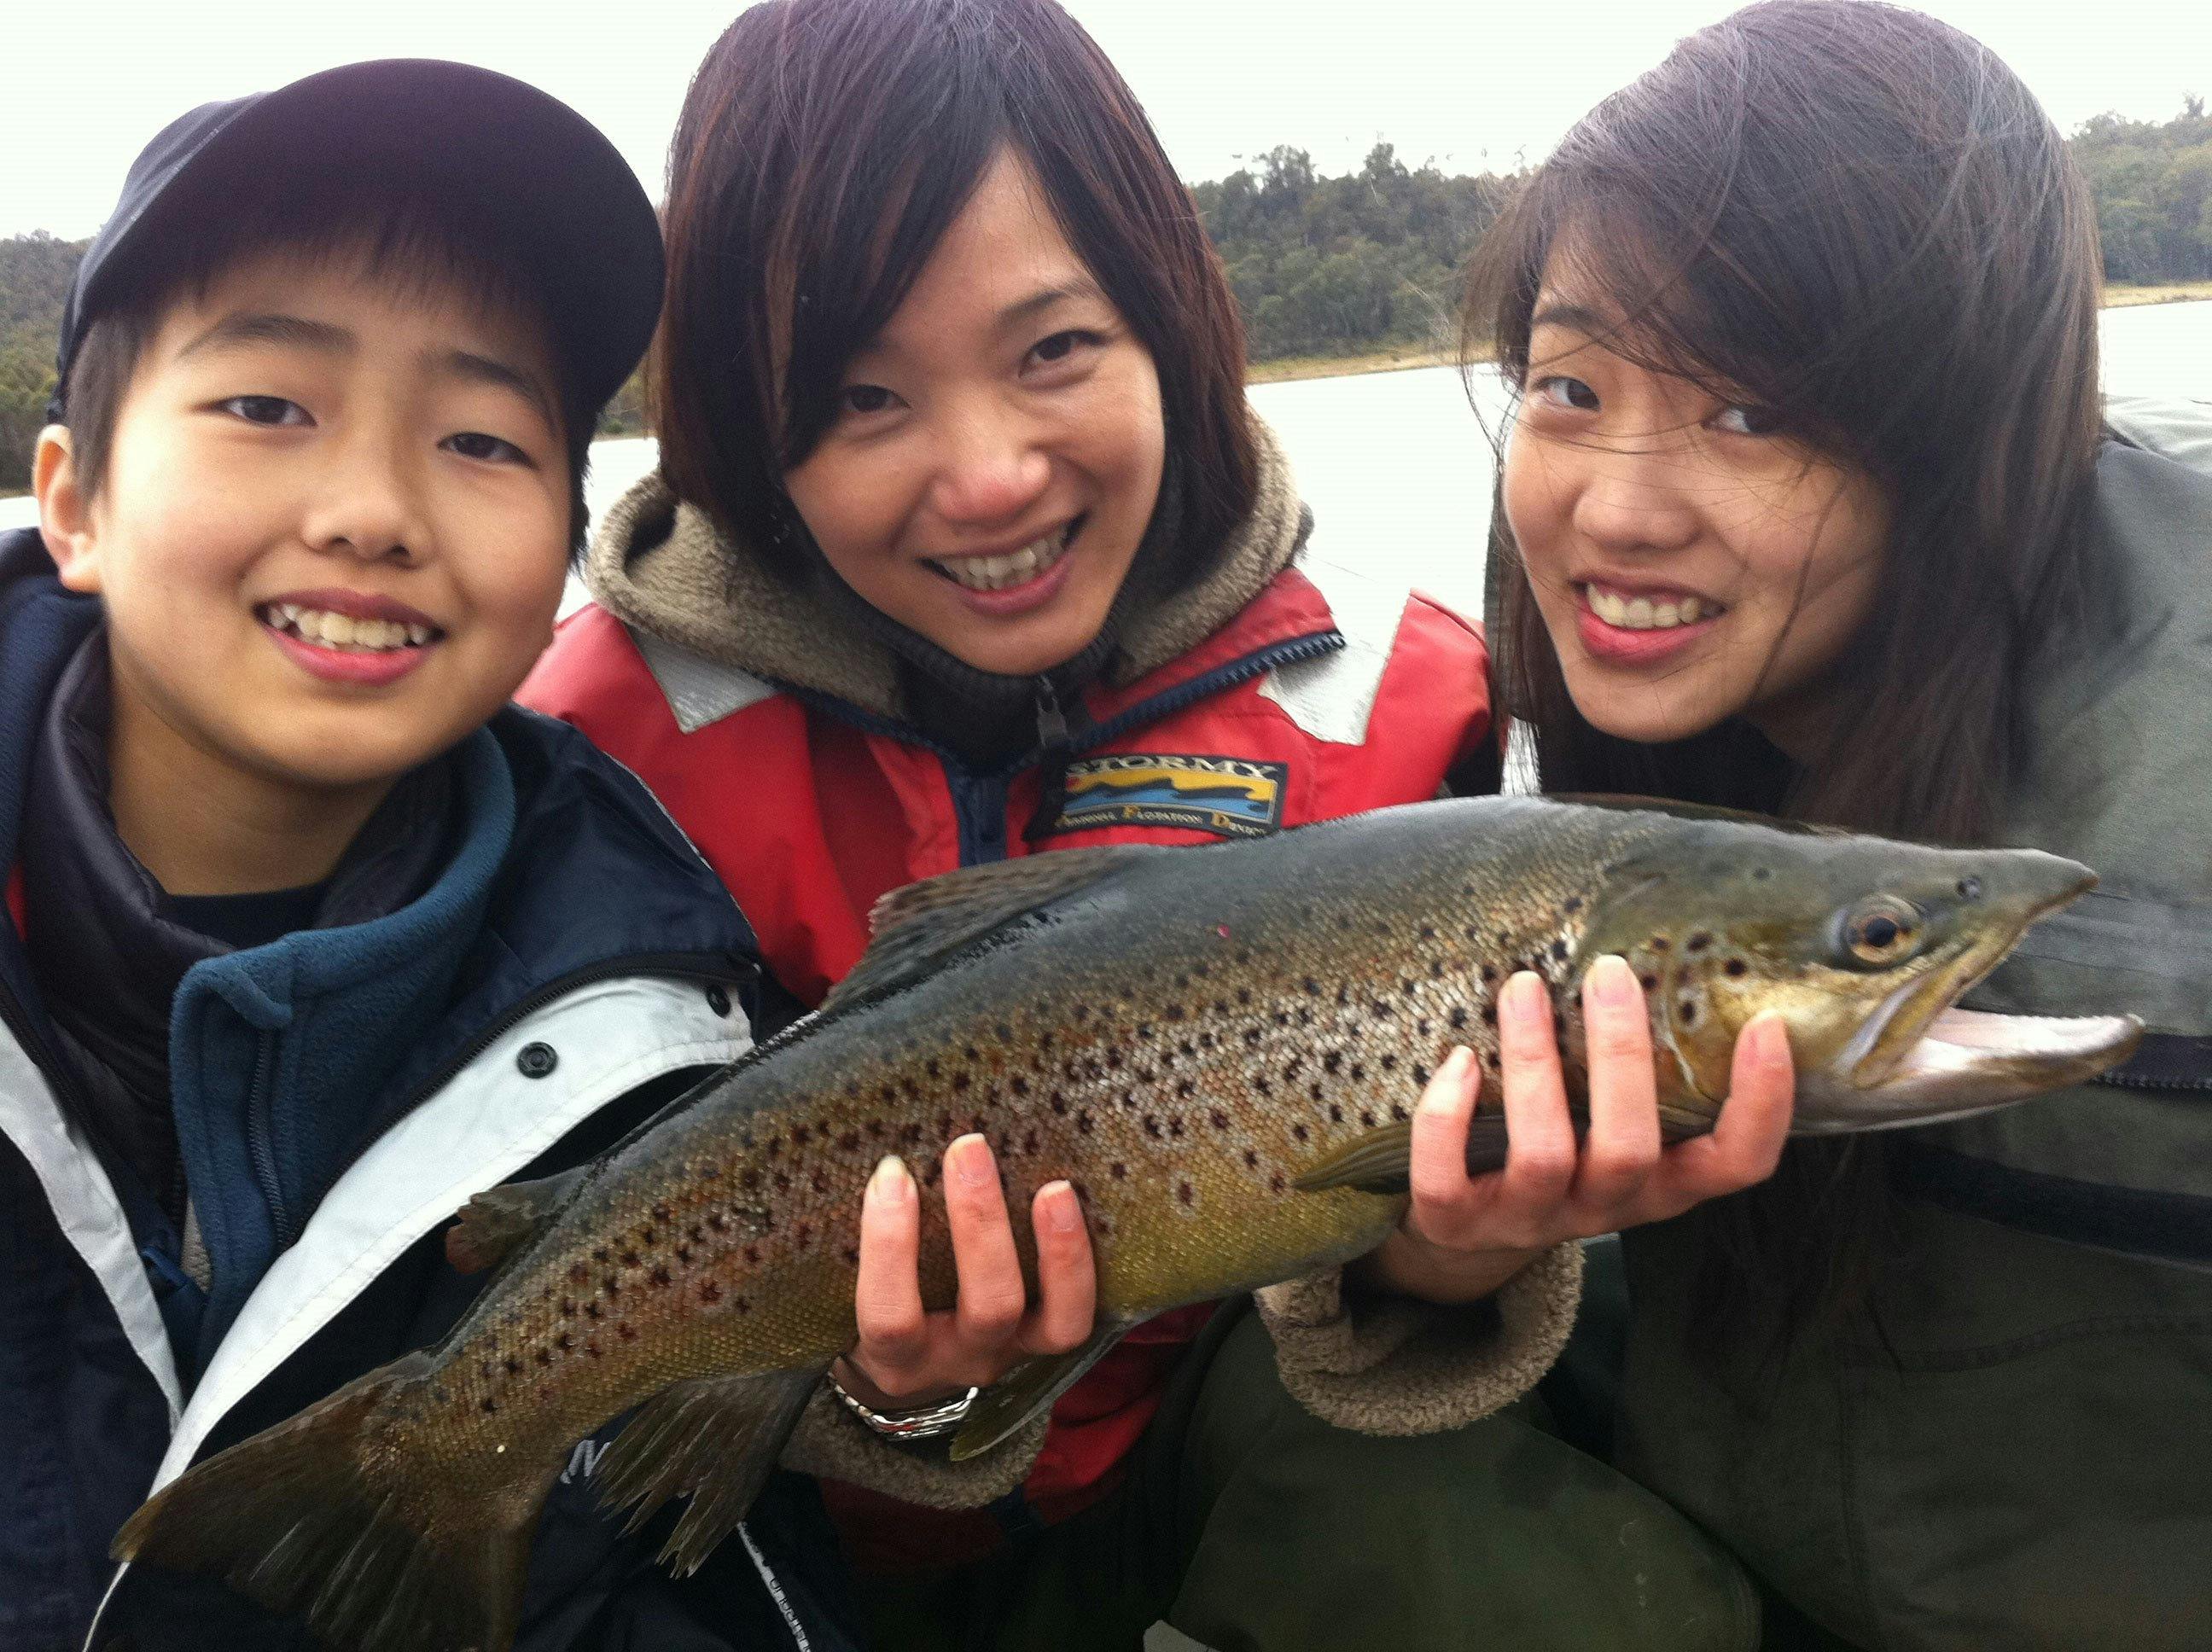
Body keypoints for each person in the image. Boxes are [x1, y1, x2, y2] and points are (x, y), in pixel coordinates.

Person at [521, 2, 1796, 1646]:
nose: (987, 477)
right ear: (747, 437)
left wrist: (1448, 1269)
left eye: (1056, 350)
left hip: (1217, 1458)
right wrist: (888, 1406)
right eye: (858, 399)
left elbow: (1364, 1309)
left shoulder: (1408, 691)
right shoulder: (588, 747)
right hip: (772, 1528)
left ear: (1174, 327)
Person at [4, 61, 861, 1651]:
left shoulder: (668, 1023)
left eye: (480, 438)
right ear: (77, 502)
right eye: (269, 405)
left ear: (563, 558)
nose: (377, 507)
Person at [1461, 3, 2212, 1646]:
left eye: (1753, 415)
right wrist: (1427, 1277)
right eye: (1568, 384)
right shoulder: (1553, 755)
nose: (1618, 506)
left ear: (1958, 437)